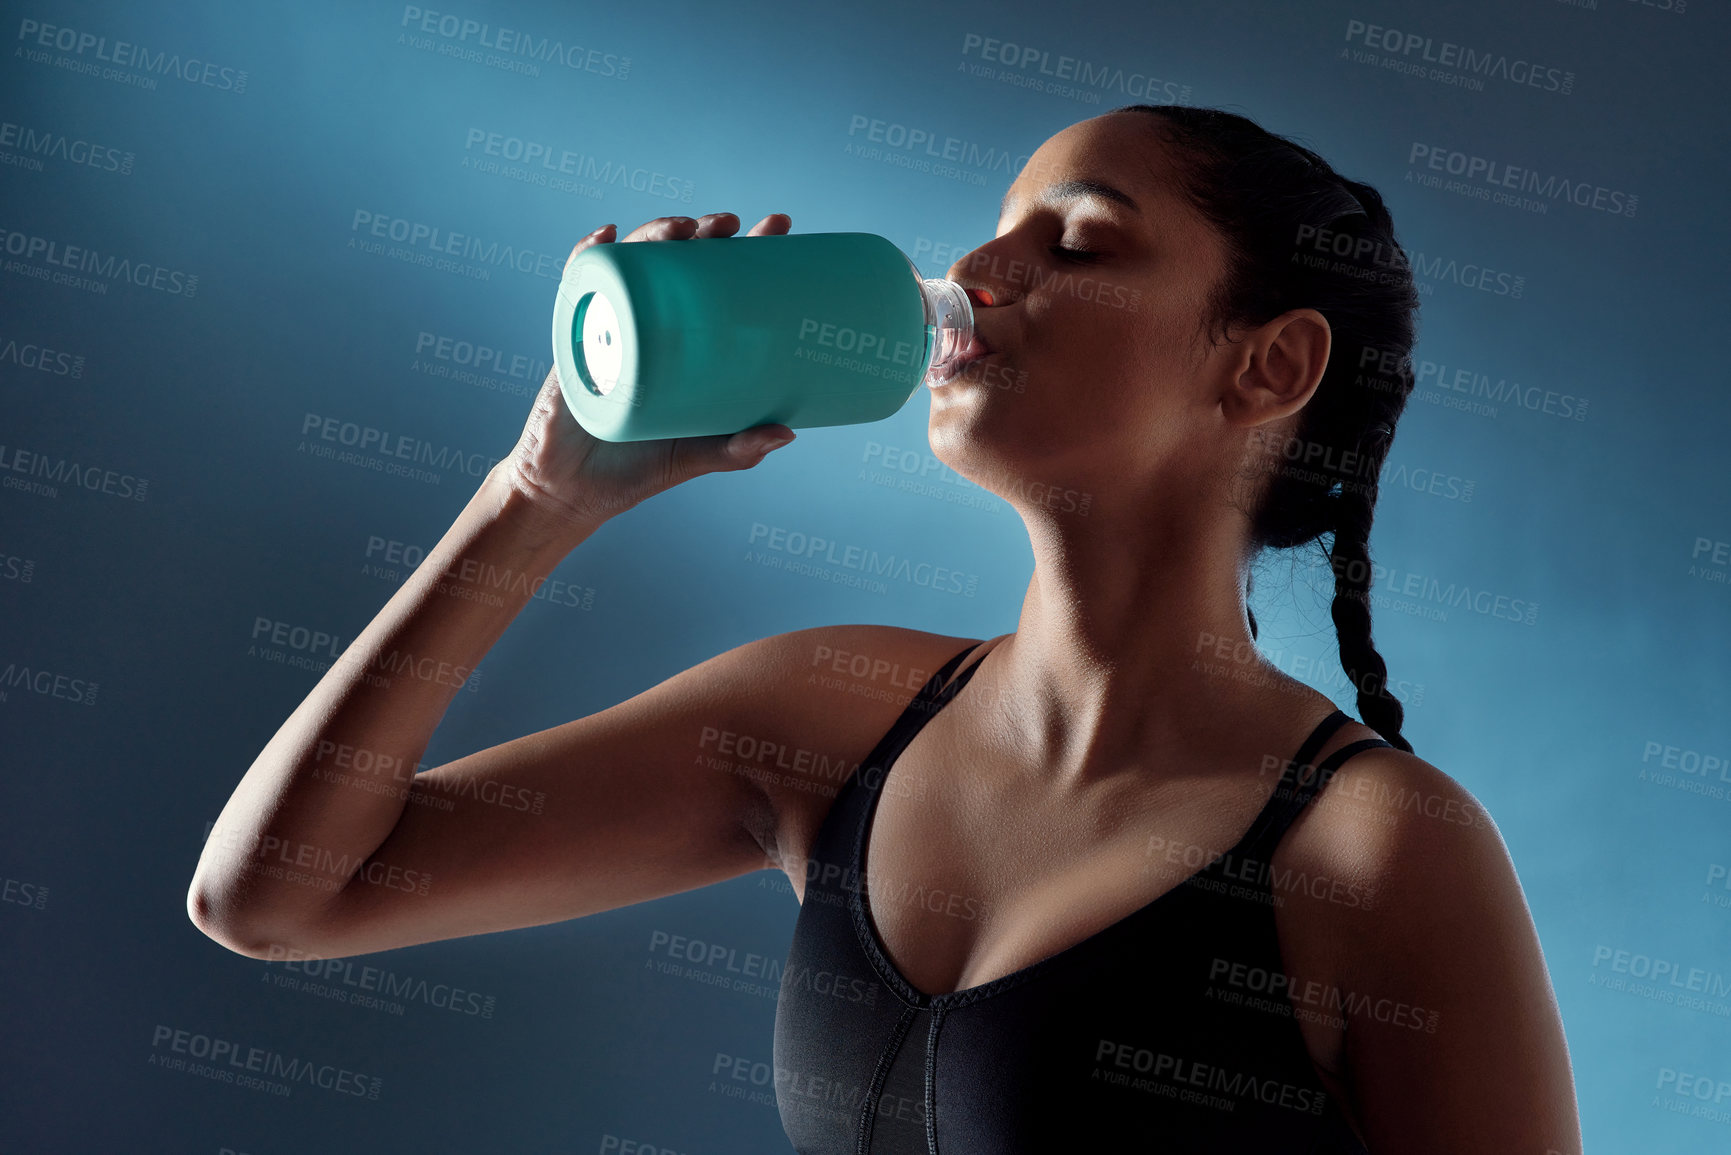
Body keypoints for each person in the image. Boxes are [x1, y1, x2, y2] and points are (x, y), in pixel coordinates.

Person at [188, 103, 1582, 1153]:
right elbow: (278, 898)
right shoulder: (831, 715)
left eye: (1078, 241)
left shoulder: (1373, 850)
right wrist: (538, 496)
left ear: (1267, 365)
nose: (978, 268)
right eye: (995, 225)